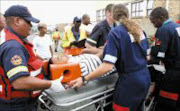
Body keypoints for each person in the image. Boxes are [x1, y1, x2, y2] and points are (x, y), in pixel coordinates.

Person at [71, 4, 150, 111]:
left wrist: (84, 79)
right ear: (128, 14)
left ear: (113, 15)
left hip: (129, 83)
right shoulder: (140, 31)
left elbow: (107, 66)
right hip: (145, 78)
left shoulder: (115, 33)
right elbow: (147, 56)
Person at [0, 5, 65, 111]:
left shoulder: (12, 39)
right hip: (17, 105)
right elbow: (20, 82)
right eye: (28, 22)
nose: (31, 26)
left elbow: (30, 66)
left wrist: (49, 62)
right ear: (16, 21)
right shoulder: (13, 46)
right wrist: (51, 84)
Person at [149, 7, 180, 111]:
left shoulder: (163, 30)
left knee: (165, 105)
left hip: (172, 76)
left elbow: (156, 55)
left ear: (161, 18)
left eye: (153, 21)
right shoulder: (178, 27)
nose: (153, 25)